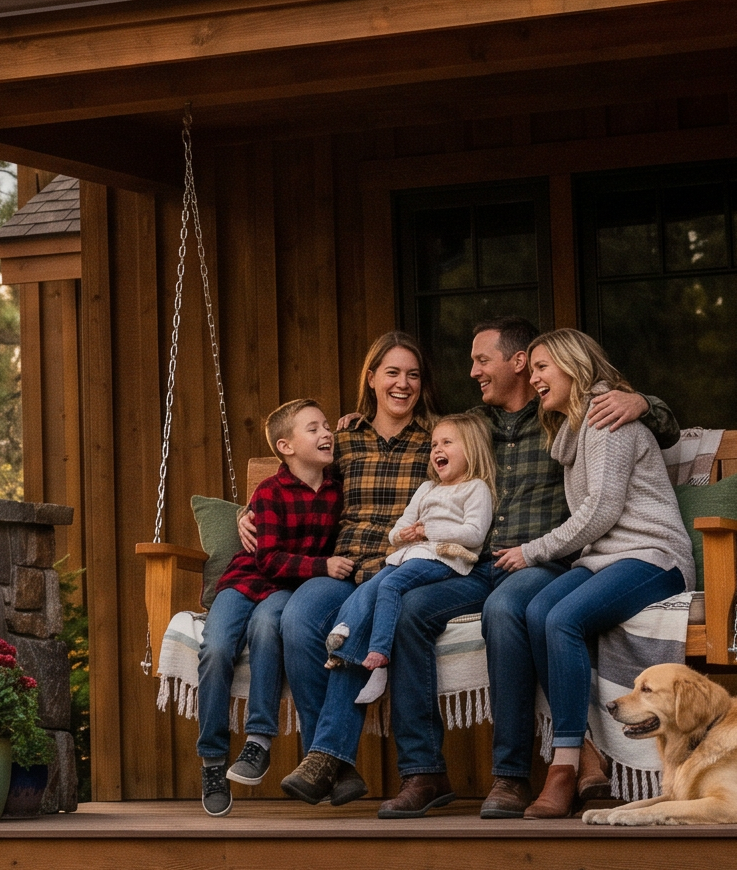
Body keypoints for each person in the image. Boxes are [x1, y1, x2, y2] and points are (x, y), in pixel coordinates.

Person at [259, 318, 674, 819]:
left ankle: (511, 775)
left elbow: (646, 431)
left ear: (518, 363)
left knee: (504, 610)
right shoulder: (476, 426)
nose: (473, 371)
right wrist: (251, 512)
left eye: (482, 360)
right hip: (470, 563)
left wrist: (645, 402)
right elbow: (312, 467)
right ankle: (423, 772)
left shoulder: (560, 422)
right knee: (410, 609)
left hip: (536, 561)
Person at [504, 327, 698, 819]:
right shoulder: (574, 430)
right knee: (536, 609)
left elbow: (602, 510)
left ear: (574, 366)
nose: (534, 376)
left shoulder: (606, 417)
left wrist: (532, 551)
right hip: (605, 557)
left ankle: (564, 763)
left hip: (653, 556)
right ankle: (585, 751)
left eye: (543, 367)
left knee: (562, 618)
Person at [274, 331, 436, 807]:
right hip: (344, 566)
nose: (402, 384)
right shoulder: (343, 438)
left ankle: (323, 756)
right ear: (371, 378)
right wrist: (247, 513)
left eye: (412, 375)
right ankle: (338, 765)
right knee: (298, 619)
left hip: (401, 566)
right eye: (392, 373)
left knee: (347, 629)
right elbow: (293, 478)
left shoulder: (437, 439)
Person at [196, 399, 351, 816]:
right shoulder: (268, 491)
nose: (325, 434)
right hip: (247, 580)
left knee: (269, 629)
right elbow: (265, 558)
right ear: (285, 446)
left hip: (287, 589)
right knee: (215, 648)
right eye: (312, 429)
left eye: (326, 426)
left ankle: (258, 741)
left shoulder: (338, 490)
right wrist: (323, 565)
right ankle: (212, 761)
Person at [327, 412, 495, 706]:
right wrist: (402, 534)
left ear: (471, 449)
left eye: (447, 443)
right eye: (433, 445)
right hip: (411, 554)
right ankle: (345, 637)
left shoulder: (475, 488)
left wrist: (428, 531)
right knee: (372, 584)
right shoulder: (427, 488)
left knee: (390, 587)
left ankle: (379, 656)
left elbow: (474, 533)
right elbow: (399, 527)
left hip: (444, 560)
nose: (437, 450)